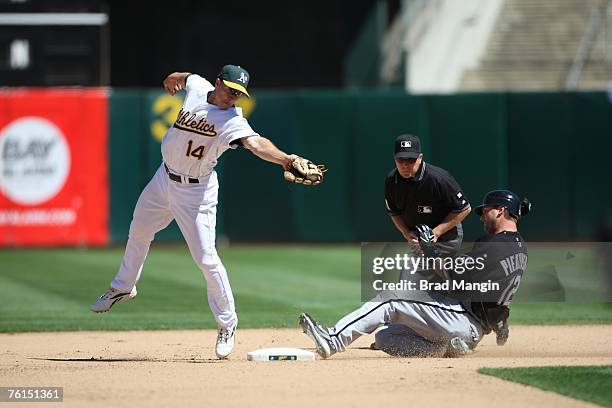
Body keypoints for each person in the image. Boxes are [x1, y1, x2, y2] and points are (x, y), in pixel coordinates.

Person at [90, 64, 321, 359]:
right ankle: (122, 287)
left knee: (206, 258)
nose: (232, 97)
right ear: (217, 82)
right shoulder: (199, 87)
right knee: (139, 230)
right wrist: (172, 78)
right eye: (229, 89)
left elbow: (255, 143)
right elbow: (185, 78)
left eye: (238, 93)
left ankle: (228, 323)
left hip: (195, 193)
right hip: (164, 178)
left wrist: (286, 160)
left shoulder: (232, 120)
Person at [299, 190, 531, 358]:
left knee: (390, 298)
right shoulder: (519, 248)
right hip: (469, 329)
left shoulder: (495, 244)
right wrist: (500, 319)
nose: (481, 215)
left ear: (501, 210)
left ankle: (333, 339)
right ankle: (446, 349)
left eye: (486, 210)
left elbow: (456, 276)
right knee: (385, 338)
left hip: (462, 320)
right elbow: (492, 286)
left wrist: (430, 249)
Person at [385, 134, 471, 276]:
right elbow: (393, 212)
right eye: (401, 160)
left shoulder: (438, 178)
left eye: (410, 159)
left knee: (418, 276)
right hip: (419, 239)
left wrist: (435, 233)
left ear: (420, 158)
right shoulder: (391, 180)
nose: (405, 164)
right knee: (420, 281)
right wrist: (407, 233)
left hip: (447, 237)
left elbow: (464, 208)